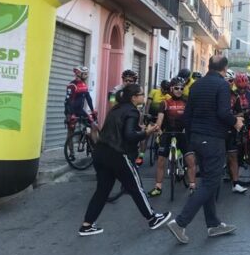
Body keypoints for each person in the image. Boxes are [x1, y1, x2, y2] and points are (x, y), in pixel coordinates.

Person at [167, 55, 243, 244]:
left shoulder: (195, 86)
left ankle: (213, 224)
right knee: (211, 182)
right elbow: (223, 112)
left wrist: (192, 138)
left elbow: (188, 115)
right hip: (213, 139)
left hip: (196, 139)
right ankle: (180, 223)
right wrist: (236, 122)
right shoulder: (223, 85)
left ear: (209, 66)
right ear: (224, 68)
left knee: (209, 180)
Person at [79, 84, 171, 235]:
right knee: (136, 187)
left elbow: (121, 130)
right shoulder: (132, 111)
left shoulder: (116, 109)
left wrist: (138, 129)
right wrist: (146, 132)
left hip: (101, 153)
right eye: (141, 94)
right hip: (118, 154)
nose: (143, 96)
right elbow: (129, 135)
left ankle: (87, 225)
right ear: (134, 98)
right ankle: (152, 218)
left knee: (102, 190)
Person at [147, 79, 196, 197]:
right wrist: (158, 129)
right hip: (167, 133)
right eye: (176, 88)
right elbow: (160, 119)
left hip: (182, 133)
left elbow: (191, 119)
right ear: (171, 89)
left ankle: (192, 186)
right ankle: (158, 187)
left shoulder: (187, 102)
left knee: (190, 160)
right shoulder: (164, 103)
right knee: (160, 161)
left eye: (181, 88)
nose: (179, 90)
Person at [64, 65, 97, 161]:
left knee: (93, 125)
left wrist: (93, 110)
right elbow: (68, 101)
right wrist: (70, 114)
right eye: (85, 74)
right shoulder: (72, 85)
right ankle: (71, 153)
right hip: (71, 111)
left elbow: (88, 98)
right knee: (71, 133)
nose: (87, 75)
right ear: (79, 74)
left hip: (80, 110)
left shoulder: (83, 84)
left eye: (87, 74)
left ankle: (89, 146)